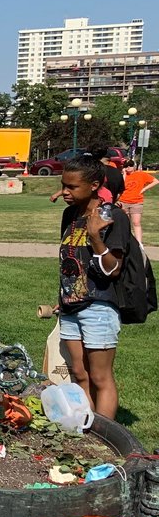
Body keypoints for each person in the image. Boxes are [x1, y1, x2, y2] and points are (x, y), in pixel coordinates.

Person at [56, 155, 128, 419]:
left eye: (72, 187)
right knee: (79, 373)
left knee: (100, 376)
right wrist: (63, 296)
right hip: (70, 305)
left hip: (99, 306)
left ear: (94, 185)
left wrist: (96, 236)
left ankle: (105, 437)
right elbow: (71, 260)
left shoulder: (114, 217)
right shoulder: (70, 215)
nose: (64, 192)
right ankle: (87, 427)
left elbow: (112, 269)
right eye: (64, 185)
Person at [119, 160, 158, 246]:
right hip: (123, 201)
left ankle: (139, 243)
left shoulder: (141, 174)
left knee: (136, 222)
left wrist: (144, 189)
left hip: (136, 202)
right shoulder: (122, 176)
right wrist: (124, 174)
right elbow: (122, 186)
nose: (128, 167)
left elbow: (155, 181)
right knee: (124, 223)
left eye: (130, 165)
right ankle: (125, 241)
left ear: (134, 166)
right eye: (126, 166)